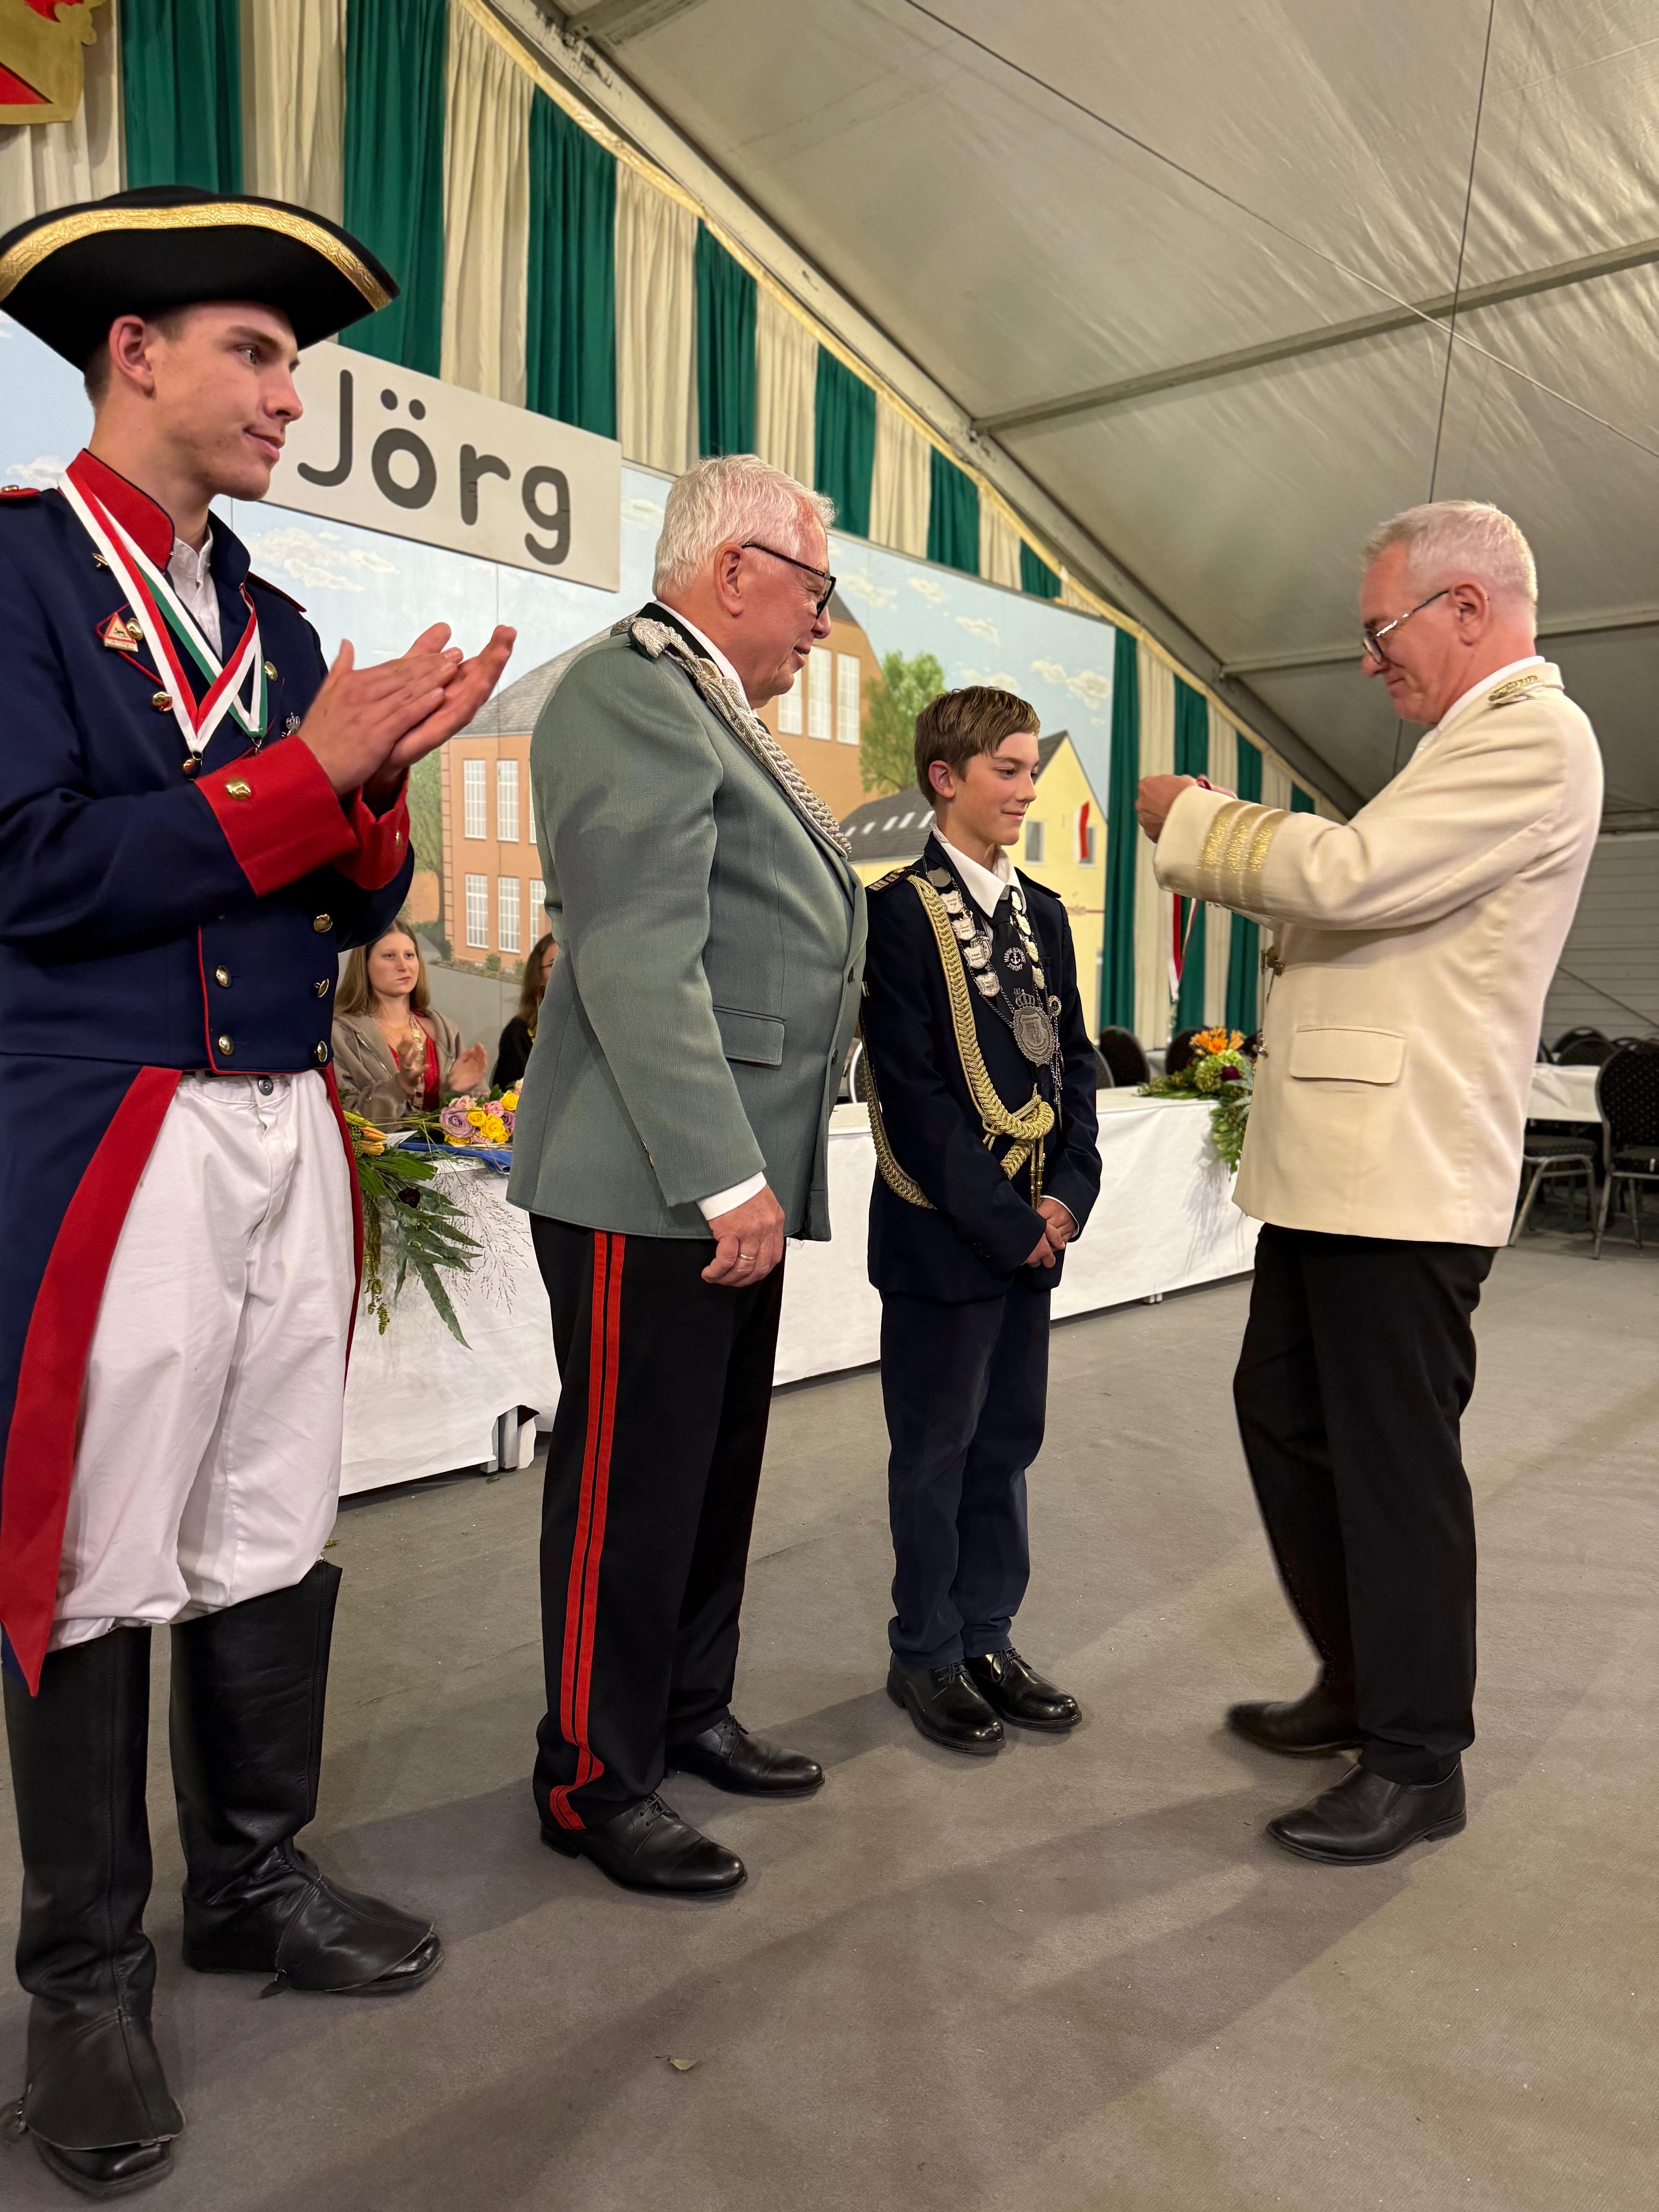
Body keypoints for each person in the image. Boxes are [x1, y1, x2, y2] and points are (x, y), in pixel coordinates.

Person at [0, 184, 514, 2197]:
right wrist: (308, 774)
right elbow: (30, 867)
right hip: (108, 1119)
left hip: (285, 1112)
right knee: (97, 1538)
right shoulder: (17, 575)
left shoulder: (284, 623)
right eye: (258, 351)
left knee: (271, 1504)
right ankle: (80, 1976)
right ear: (133, 353)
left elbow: (347, 896)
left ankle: (252, 1877)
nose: (294, 395)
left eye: (293, 361)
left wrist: (374, 785)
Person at [1136, 500, 1601, 1866]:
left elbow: (1353, 877)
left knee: (1393, 1464)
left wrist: (1193, 818)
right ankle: (1358, 1678)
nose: (1365, 659)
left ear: (1467, 607)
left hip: (1401, 1171)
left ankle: (1415, 1756)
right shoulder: (1466, 742)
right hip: (1351, 1167)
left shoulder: (1530, 734)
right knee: (1286, 1412)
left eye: (1378, 628)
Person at [508, 455, 865, 1896]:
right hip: (650, 1173)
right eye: (816, 589)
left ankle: (682, 1709)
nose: (823, 623)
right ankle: (591, 1778)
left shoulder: (704, 700)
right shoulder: (631, 691)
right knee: (630, 1487)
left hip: (716, 1166)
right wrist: (724, 1174)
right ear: (734, 572)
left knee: (711, 1471)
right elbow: (637, 950)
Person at [858, 689, 1101, 1753]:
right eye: (1007, 768)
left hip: (1030, 1232)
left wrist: (1068, 1193)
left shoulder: (1042, 913)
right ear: (944, 777)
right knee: (936, 1452)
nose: (1027, 788)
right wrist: (1009, 1223)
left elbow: (1075, 1065)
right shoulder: (897, 913)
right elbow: (912, 1095)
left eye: (1030, 768)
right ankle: (925, 1651)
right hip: (944, 1235)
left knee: (1004, 1444)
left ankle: (988, 1635)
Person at [332, 924, 489, 1122]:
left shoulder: (446, 1030)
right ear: (365, 966)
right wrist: (399, 1087)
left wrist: (458, 1090)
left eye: (409, 955)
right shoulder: (341, 1034)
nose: (403, 966)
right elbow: (345, 1119)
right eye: (389, 956)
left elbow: (480, 1118)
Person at [493, 931, 557, 1089]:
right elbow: (509, 1094)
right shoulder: (518, 1032)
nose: (564, 973)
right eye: (554, 965)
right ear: (539, 976)